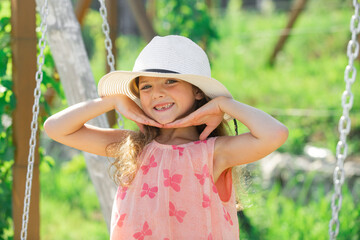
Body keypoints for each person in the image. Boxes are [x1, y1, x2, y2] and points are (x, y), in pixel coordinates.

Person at [44, 35, 288, 239]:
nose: (157, 93)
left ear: (198, 92)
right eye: (146, 86)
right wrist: (112, 100)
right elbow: (56, 128)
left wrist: (223, 105)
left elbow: (275, 134)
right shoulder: (133, 146)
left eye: (170, 82)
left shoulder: (213, 153)